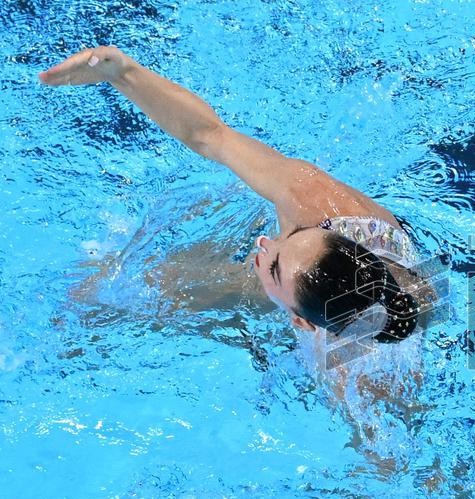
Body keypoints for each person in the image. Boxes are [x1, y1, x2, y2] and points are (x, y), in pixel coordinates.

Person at [40, 46, 438, 396]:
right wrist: (123, 72)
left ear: (301, 323)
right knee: (124, 288)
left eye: (276, 265)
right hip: (328, 289)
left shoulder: (360, 374)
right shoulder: (313, 199)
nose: (267, 244)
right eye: (297, 235)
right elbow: (210, 135)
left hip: (339, 330)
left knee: (150, 294)